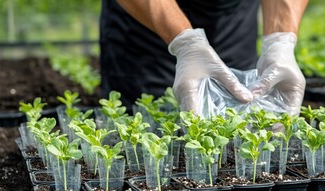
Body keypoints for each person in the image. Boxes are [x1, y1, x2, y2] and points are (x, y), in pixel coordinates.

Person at [100, 0, 308, 116]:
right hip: (146, 25)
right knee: (148, 118)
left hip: (233, 18)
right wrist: (184, 42)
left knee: (240, 110)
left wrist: (280, 39)